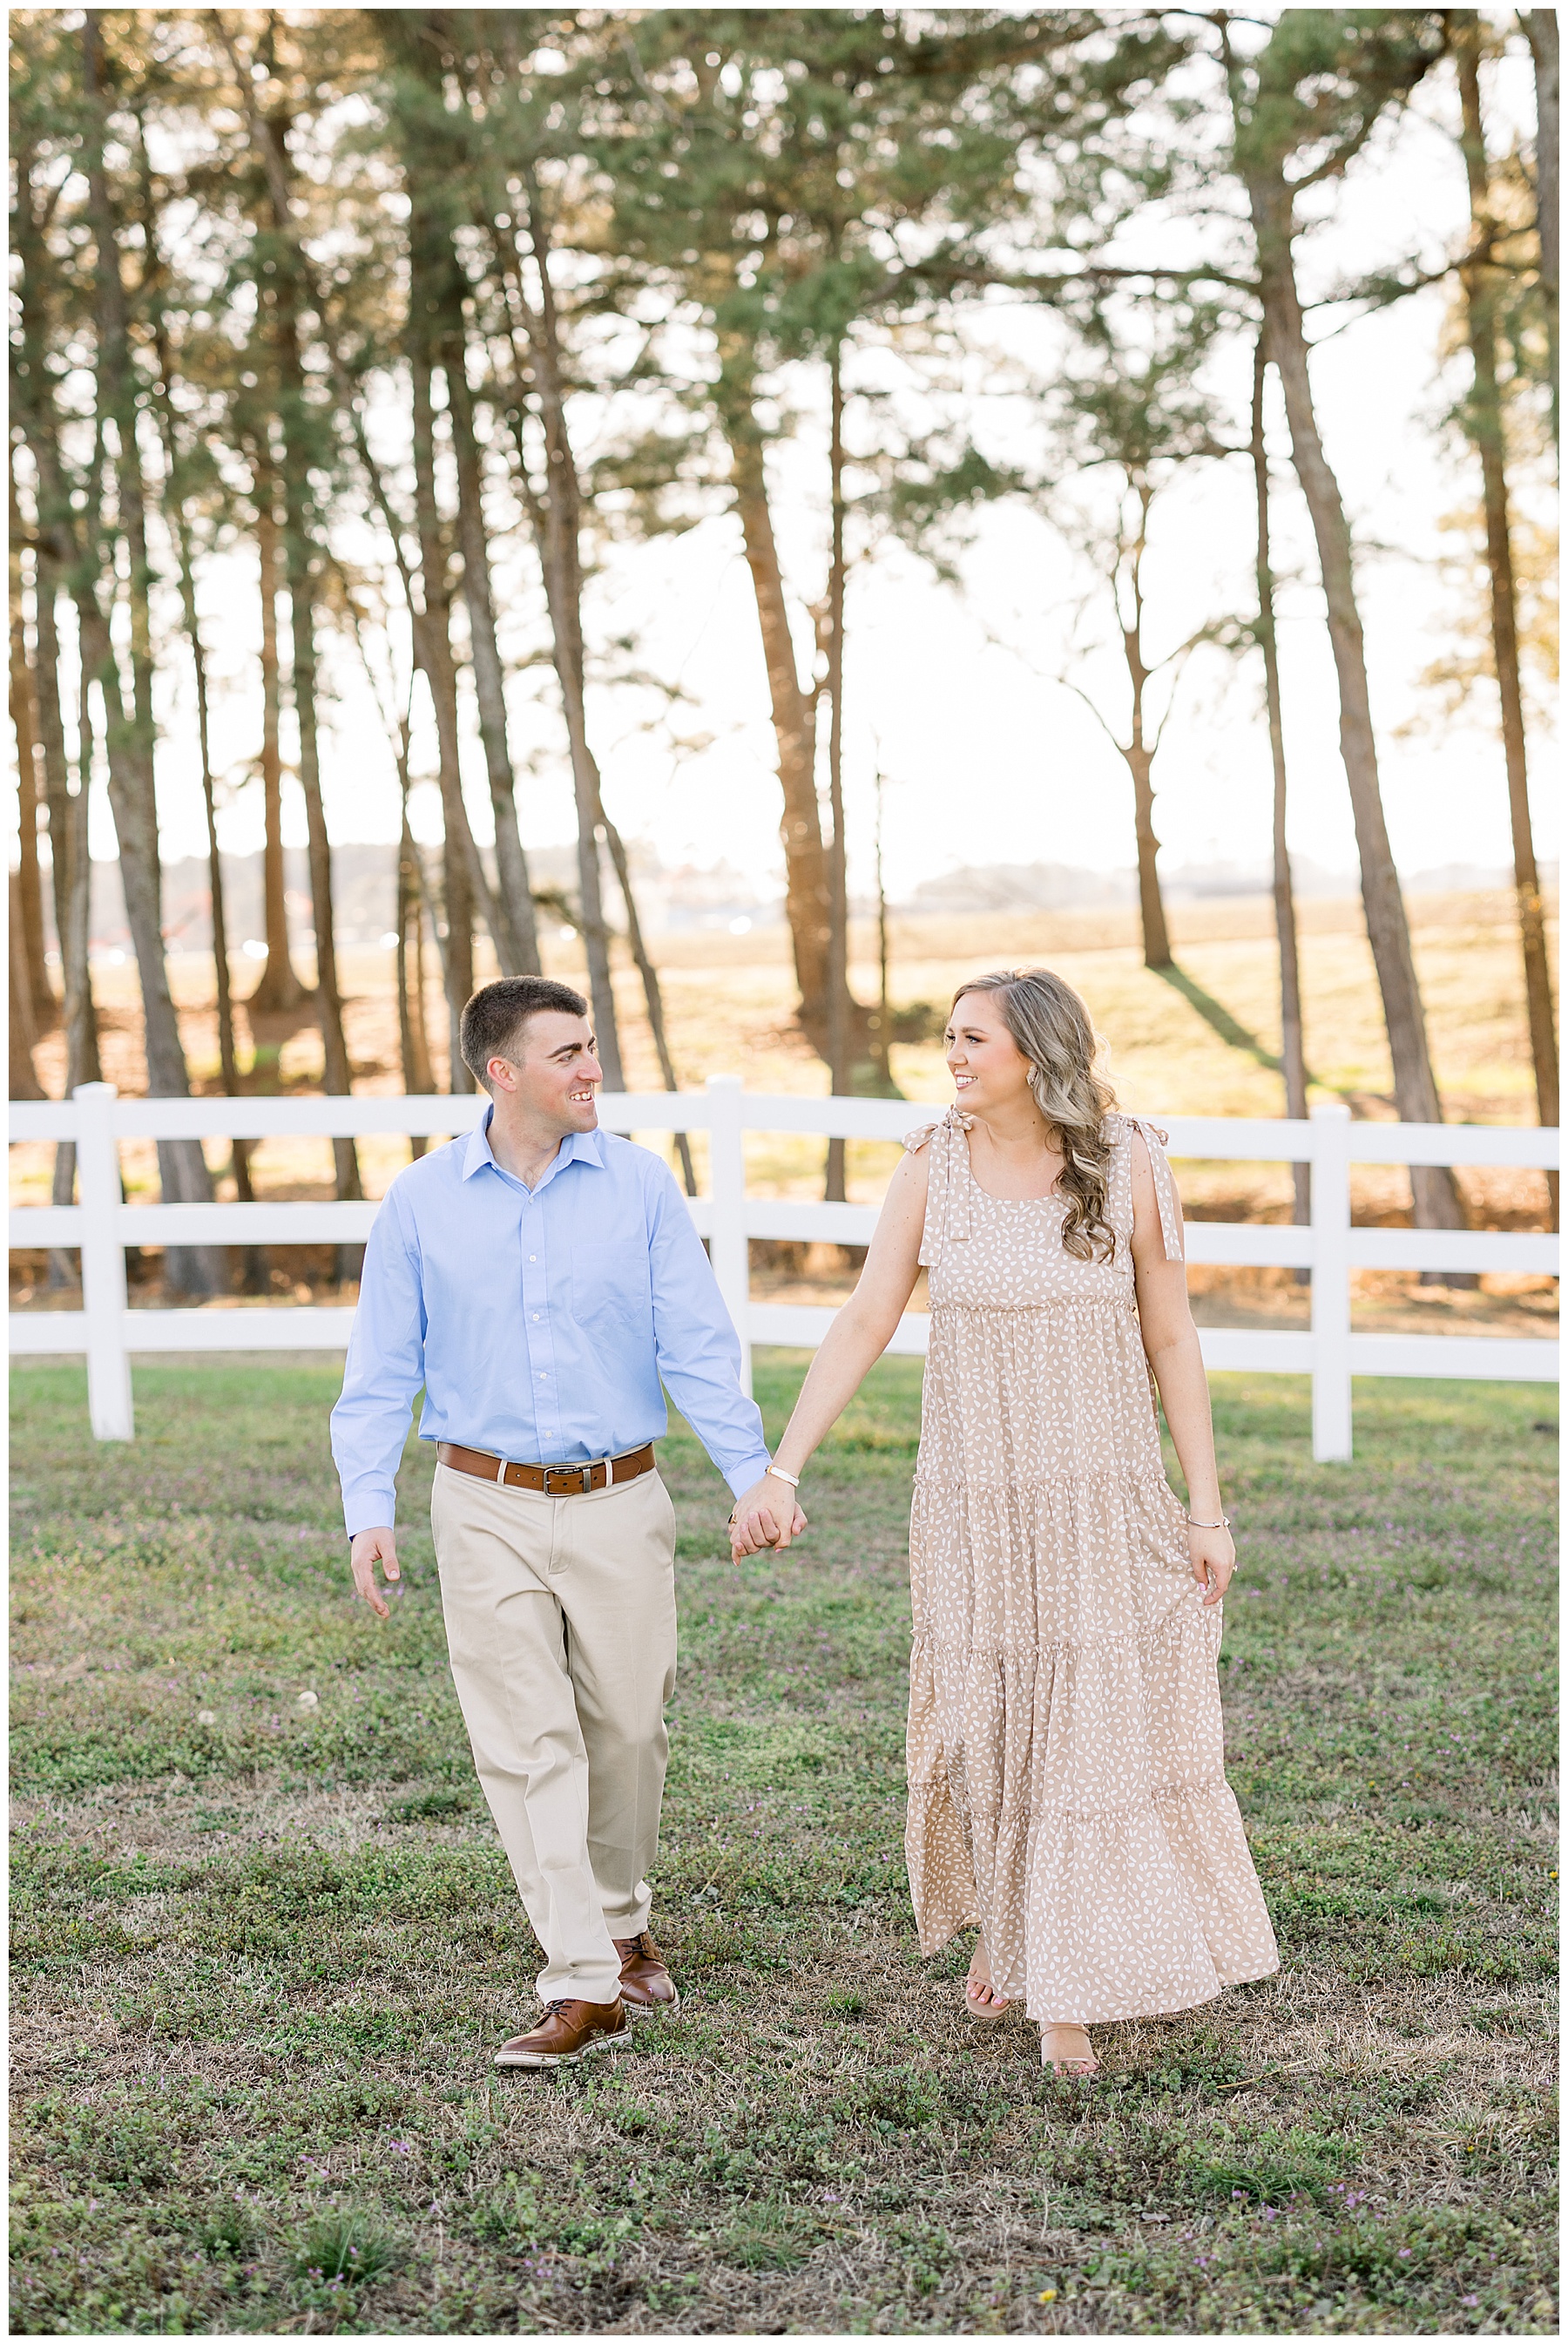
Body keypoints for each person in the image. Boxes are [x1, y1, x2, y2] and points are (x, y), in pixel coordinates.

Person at [728, 967, 1278, 2074]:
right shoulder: (932, 1166)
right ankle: (1011, 1928)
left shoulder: (1129, 1164)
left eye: (974, 1037)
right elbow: (865, 1314)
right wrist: (782, 1466)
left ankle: (1060, 1988)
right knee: (989, 1716)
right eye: (950, 1035)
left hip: (1099, 1497)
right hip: (976, 1502)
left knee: (1083, 1727)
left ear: (1037, 1052)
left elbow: (1173, 1339)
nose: (954, 1054)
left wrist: (1205, 1508)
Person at [330, 975, 800, 2071]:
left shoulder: (638, 1186)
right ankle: (584, 1979)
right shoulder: (420, 1201)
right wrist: (369, 1506)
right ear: (503, 1073)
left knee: (629, 1729)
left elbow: (695, 1342)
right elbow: (378, 1370)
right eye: (569, 1053)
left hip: (620, 1499)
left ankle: (621, 1912)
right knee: (527, 1743)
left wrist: (750, 1473)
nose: (594, 1070)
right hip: (481, 1501)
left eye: (593, 1048)